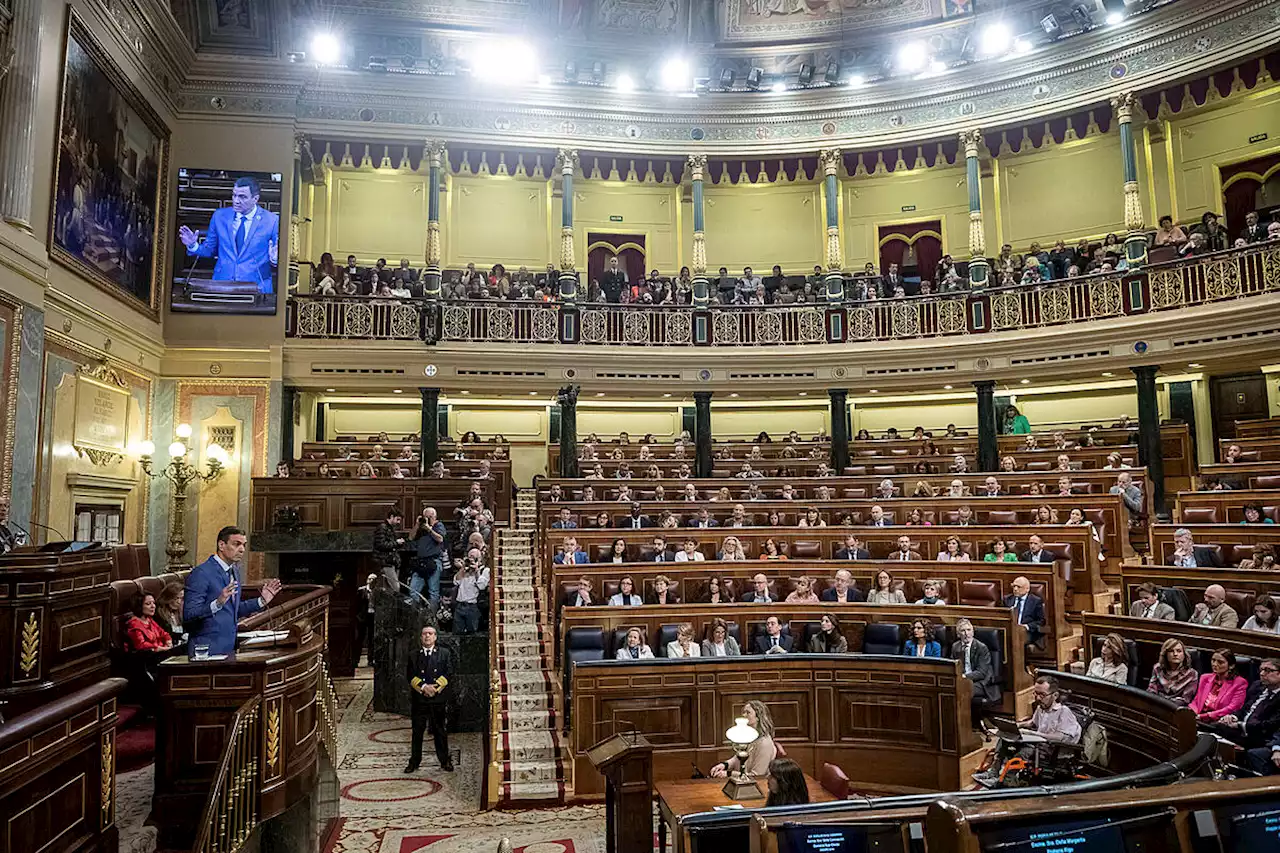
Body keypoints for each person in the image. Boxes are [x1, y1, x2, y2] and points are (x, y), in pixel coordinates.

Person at [183, 526, 281, 657]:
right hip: (206, 650)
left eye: (244, 545)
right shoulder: (201, 573)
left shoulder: (233, 571)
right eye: (237, 544)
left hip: (228, 648)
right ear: (221, 545)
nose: (242, 549)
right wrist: (217, 604)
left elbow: (232, 609)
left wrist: (261, 601)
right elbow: (189, 614)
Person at [178, 176, 280, 295]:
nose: (236, 201)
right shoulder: (220, 216)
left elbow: (277, 257)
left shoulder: (272, 221)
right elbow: (209, 250)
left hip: (257, 288)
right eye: (234, 195)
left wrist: (274, 259)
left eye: (242, 197)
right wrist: (192, 245)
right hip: (222, 286)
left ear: (255, 199)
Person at [978, 675, 1080, 785]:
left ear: (1055, 695)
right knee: (1005, 738)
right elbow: (1031, 723)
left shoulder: (1063, 712)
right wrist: (1015, 726)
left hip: (1053, 751)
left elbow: (1061, 737)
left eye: (1042, 695)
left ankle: (1006, 779)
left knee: (1025, 751)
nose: (1038, 698)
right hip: (1039, 745)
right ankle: (993, 772)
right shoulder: (1041, 708)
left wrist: (1035, 734)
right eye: (1036, 693)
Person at [406, 625, 455, 773]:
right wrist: (423, 687)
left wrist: (435, 688)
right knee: (417, 731)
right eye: (425, 634)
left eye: (431, 634)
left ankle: (444, 760)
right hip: (420, 699)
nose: (427, 636)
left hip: (437, 698)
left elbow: (448, 672)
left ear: (435, 637)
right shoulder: (413, 655)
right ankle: (414, 762)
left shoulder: (444, 654)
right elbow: (410, 676)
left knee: (440, 730)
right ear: (421, 637)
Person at [710, 701, 777, 779]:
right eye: (743, 712)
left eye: (748, 712)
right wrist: (724, 765)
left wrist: (729, 773)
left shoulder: (765, 743)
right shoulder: (749, 736)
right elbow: (738, 758)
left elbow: (757, 775)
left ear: (758, 717)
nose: (743, 715)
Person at [952, 618, 999, 727]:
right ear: (958, 634)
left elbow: (981, 673)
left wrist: (963, 677)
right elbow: (954, 666)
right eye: (963, 631)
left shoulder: (981, 647)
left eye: (969, 630)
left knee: (963, 690)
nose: (966, 633)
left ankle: (965, 725)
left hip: (981, 683)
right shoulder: (956, 647)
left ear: (973, 632)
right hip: (962, 680)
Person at [1190, 649, 1247, 723]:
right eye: (1213, 660)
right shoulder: (1205, 678)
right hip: (1198, 718)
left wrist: (1204, 716)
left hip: (1218, 721)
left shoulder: (1240, 683)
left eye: (1220, 662)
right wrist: (1191, 713)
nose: (1215, 664)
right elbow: (1196, 701)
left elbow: (1232, 708)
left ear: (1231, 666)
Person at [411, 506, 446, 606]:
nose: (427, 519)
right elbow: (411, 537)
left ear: (435, 517)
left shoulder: (439, 525)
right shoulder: (421, 528)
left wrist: (429, 529)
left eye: (430, 517)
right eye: (425, 517)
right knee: (413, 591)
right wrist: (417, 525)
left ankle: (432, 619)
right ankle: (417, 616)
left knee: (433, 592)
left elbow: (440, 539)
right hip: (420, 562)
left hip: (434, 561)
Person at [1147, 638, 1197, 707]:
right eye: (1171, 651)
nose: (1175, 654)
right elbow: (1151, 690)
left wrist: (1164, 703)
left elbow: (1185, 699)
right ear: (1165, 654)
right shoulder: (1158, 668)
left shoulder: (1192, 674)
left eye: (1179, 651)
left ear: (1184, 654)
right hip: (1156, 706)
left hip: (1175, 710)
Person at [452, 549, 489, 634]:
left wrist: (476, 571)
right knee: (457, 634)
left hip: (473, 607)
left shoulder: (484, 571)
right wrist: (462, 567)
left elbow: (481, 586)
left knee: (472, 635)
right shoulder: (464, 570)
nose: (470, 559)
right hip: (460, 606)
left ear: (479, 559)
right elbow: (456, 582)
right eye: (469, 557)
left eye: (473, 557)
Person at [372, 507, 407, 590]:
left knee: (388, 589)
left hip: (390, 561)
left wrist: (398, 544)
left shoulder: (389, 528)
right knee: (395, 587)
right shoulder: (382, 527)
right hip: (386, 562)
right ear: (391, 516)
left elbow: (389, 545)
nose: (399, 522)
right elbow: (380, 544)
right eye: (397, 519)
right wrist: (396, 543)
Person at [1003, 576, 1045, 646]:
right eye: (1014, 586)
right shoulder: (1007, 599)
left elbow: (1041, 621)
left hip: (1027, 632)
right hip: (1009, 631)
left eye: (1019, 587)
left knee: (1017, 638)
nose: (1015, 589)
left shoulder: (1036, 601)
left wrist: (1026, 626)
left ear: (1027, 589)